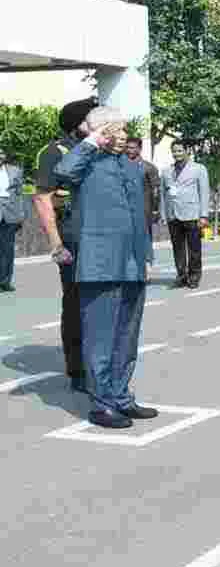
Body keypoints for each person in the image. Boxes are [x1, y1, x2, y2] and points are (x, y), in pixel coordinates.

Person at [55, 106, 155, 429]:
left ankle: (121, 396)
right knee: (100, 337)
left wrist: (146, 257)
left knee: (127, 335)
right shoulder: (84, 162)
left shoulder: (130, 165)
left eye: (125, 130)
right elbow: (63, 172)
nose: (124, 135)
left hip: (132, 261)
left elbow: (140, 214)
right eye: (118, 129)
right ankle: (101, 404)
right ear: (101, 132)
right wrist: (93, 141)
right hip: (100, 262)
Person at [33, 98, 96, 393]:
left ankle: (98, 364)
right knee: (75, 303)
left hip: (99, 235)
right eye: (89, 119)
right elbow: (43, 199)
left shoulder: (97, 150)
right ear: (76, 125)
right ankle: (78, 369)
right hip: (72, 236)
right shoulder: (53, 153)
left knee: (100, 302)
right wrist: (56, 244)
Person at [159, 140, 210, 289]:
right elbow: (163, 194)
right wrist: (163, 213)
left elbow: (204, 192)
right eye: (174, 151)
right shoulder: (166, 171)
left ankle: (194, 276)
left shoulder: (199, 169)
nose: (177, 154)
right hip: (173, 214)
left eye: (180, 151)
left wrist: (204, 215)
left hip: (192, 214)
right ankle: (181, 276)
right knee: (177, 248)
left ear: (187, 151)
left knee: (194, 248)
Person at [124, 137, 159, 249]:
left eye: (132, 148)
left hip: (144, 211)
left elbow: (156, 190)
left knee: (144, 241)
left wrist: (155, 210)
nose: (129, 150)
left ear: (139, 149)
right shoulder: (121, 166)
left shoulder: (149, 167)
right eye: (127, 147)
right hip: (126, 209)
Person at [0, 147, 23, 292]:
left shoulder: (15, 170)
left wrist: (20, 215)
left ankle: (5, 282)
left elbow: (19, 195)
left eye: (1, 153)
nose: (0, 156)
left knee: (8, 250)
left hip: (10, 214)